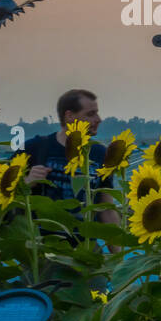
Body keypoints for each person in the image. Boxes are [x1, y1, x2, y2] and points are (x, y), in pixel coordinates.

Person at [19, 88, 121, 245]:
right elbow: (5, 193)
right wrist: (27, 182)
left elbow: (106, 209)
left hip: (86, 249)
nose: (98, 119)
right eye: (90, 114)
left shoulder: (101, 154)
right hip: (43, 251)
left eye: (97, 113)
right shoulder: (36, 148)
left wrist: (118, 261)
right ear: (69, 116)